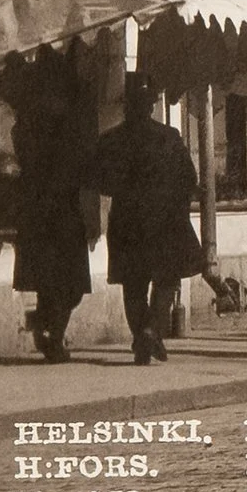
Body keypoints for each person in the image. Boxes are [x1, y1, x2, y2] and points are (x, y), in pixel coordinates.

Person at [88, 74, 205, 365]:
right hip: (164, 222)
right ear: (151, 106)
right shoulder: (169, 137)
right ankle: (152, 331)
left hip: (126, 222)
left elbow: (98, 182)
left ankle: (144, 337)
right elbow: (189, 179)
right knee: (166, 280)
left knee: (133, 285)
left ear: (126, 106)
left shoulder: (110, 140)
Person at [10, 59, 92, 362]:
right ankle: (52, 336)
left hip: (39, 212)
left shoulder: (27, 127)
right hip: (61, 213)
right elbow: (76, 166)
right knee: (69, 285)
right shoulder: (61, 130)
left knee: (50, 283)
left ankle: (47, 330)